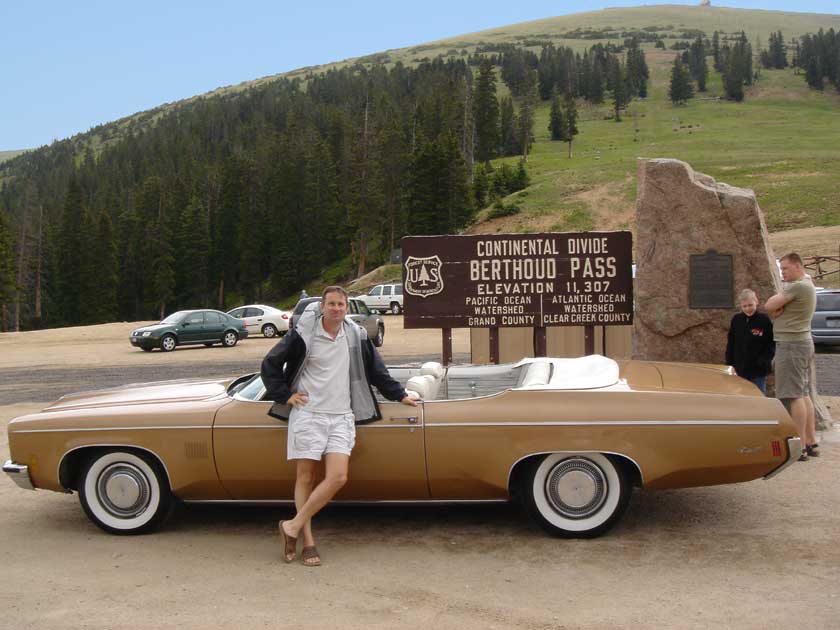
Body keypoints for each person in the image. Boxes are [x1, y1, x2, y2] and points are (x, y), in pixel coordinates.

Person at [261, 286, 418, 566]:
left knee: (338, 477)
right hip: (308, 414)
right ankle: (307, 542)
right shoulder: (303, 335)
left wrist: (401, 395)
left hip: (342, 416)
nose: (336, 309)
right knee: (306, 477)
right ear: (322, 306)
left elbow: (376, 371)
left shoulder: (355, 336)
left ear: (347, 308)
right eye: (331, 304)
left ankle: (292, 526)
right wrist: (285, 395)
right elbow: (271, 363)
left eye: (341, 304)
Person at [764, 253, 818, 460]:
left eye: (785, 269)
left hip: (792, 345)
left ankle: (800, 447)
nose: (782, 273)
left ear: (797, 266)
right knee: (803, 393)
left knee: (794, 395)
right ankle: (811, 441)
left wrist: (777, 308)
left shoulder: (797, 286)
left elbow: (769, 305)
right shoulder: (806, 282)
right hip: (801, 343)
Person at [725, 289, 775, 394]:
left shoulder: (764, 320)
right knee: (742, 395)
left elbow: (771, 342)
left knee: (758, 394)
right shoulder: (736, 320)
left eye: (750, 305)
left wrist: (764, 360)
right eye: (744, 306)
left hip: (758, 370)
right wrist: (730, 364)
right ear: (741, 306)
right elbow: (731, 343)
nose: (748, 309)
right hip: (740, 368)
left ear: (756, 302)